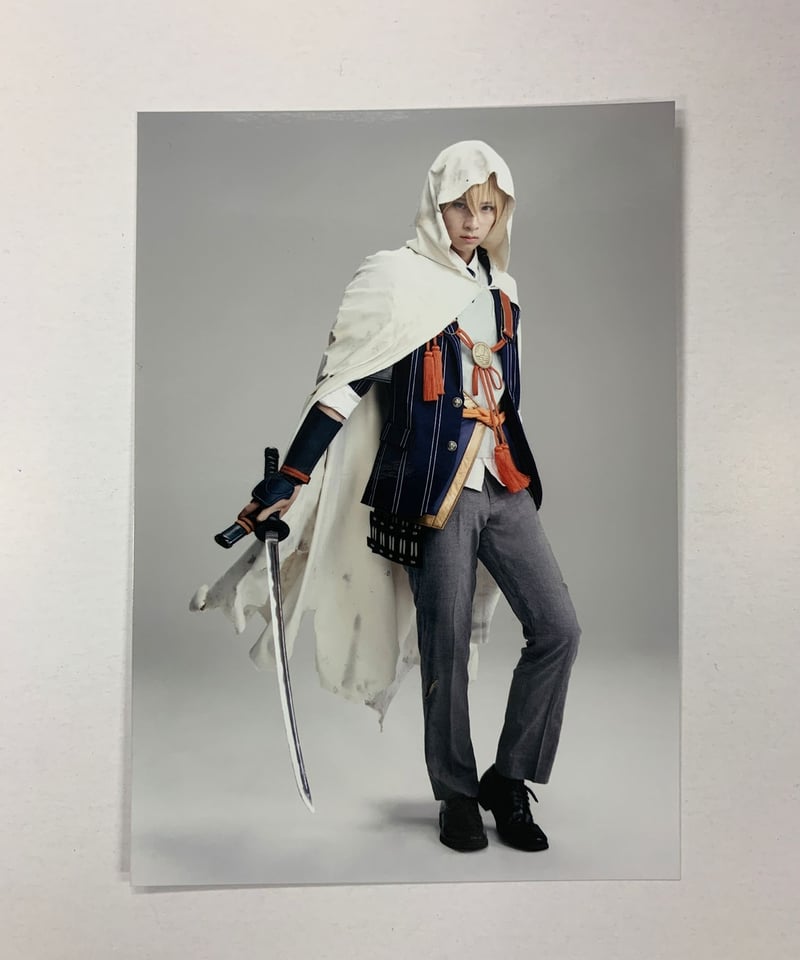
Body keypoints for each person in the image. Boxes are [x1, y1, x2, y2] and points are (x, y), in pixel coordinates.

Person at [213, 141, 580, 853]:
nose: (472, 221)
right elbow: (345, 384)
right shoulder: (395, 279)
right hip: (435, 488)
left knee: (558, 628)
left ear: (500, 213)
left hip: (502, 477)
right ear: (435, 205)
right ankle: (457, 793)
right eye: (460, 206)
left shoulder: (504, 290)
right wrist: (291, 477)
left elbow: (506, 390)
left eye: (487, 208)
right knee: (444, 650)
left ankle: (508, 779)